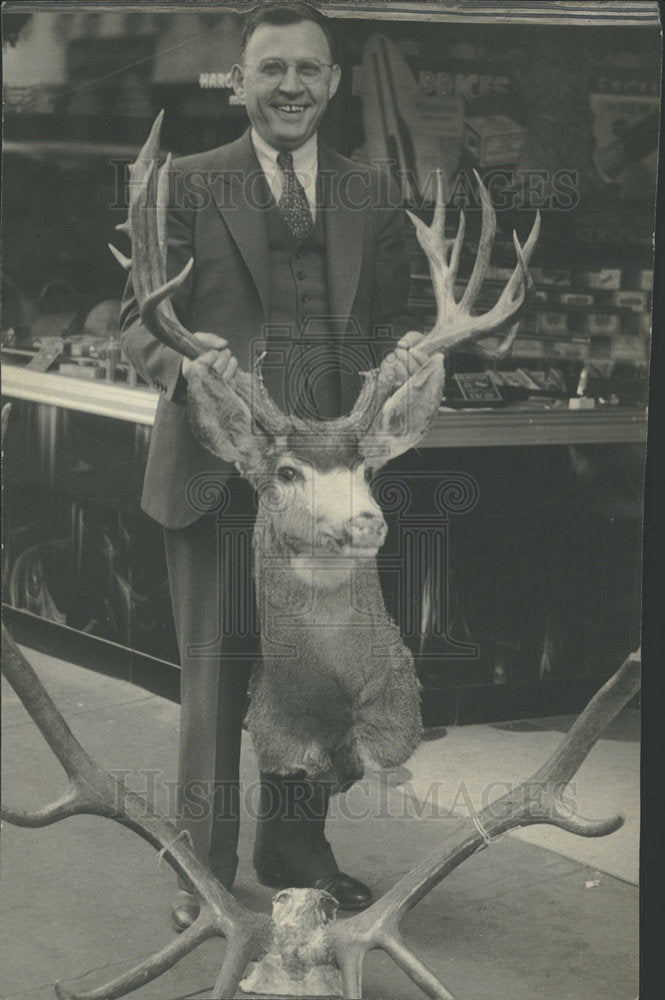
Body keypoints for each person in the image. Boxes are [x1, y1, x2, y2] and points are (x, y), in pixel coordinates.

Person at [120, 0, 428, 930]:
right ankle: (202, 870)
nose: (290, 85)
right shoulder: (182, 182)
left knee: (316, 679)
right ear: (239, 81)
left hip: (325, 482)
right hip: (221, 470)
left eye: (308, 69)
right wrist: (185, 365)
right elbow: (137, 319)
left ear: (331, 83)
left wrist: (401, 359)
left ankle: (293, 854)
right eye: (271, 69)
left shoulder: (370, 195)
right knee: (216, 679)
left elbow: (378, 321)